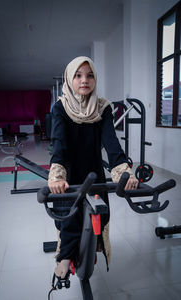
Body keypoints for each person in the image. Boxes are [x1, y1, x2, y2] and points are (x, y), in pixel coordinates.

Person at [48, 56, 138, 279]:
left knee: (101, 213)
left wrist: (124, 173)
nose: (84, 80)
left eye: (89, 75)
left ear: (95, 79)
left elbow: (112, 143)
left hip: (93, 171)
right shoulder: (61, 107)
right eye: (78, 75)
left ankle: (92, 247)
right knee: (70, 214)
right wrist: (57, 176)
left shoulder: (103, 107)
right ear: (70, 79)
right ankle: (65, 255)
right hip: (69, 172)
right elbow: (59, 143)